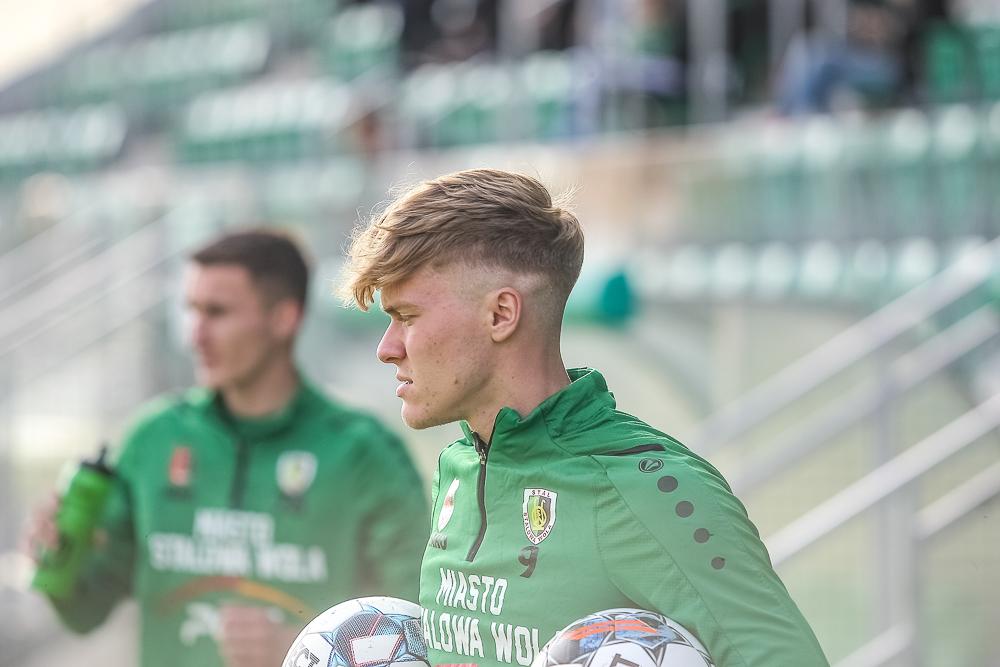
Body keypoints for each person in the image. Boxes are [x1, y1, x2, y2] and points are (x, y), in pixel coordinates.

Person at [339, 169, 829, 666]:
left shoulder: (651, 489)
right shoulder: (459, 468)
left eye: (407, 317)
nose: (387, 348)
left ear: (501, 314)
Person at [23, 229, 429, 667]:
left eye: (216, 313)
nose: (195, 335)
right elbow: (85, 612)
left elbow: (417, 624)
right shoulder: (153, 439)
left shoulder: (365, 452)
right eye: (192, 311)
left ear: (283, 319)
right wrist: (59, 557)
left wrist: (301, 646)